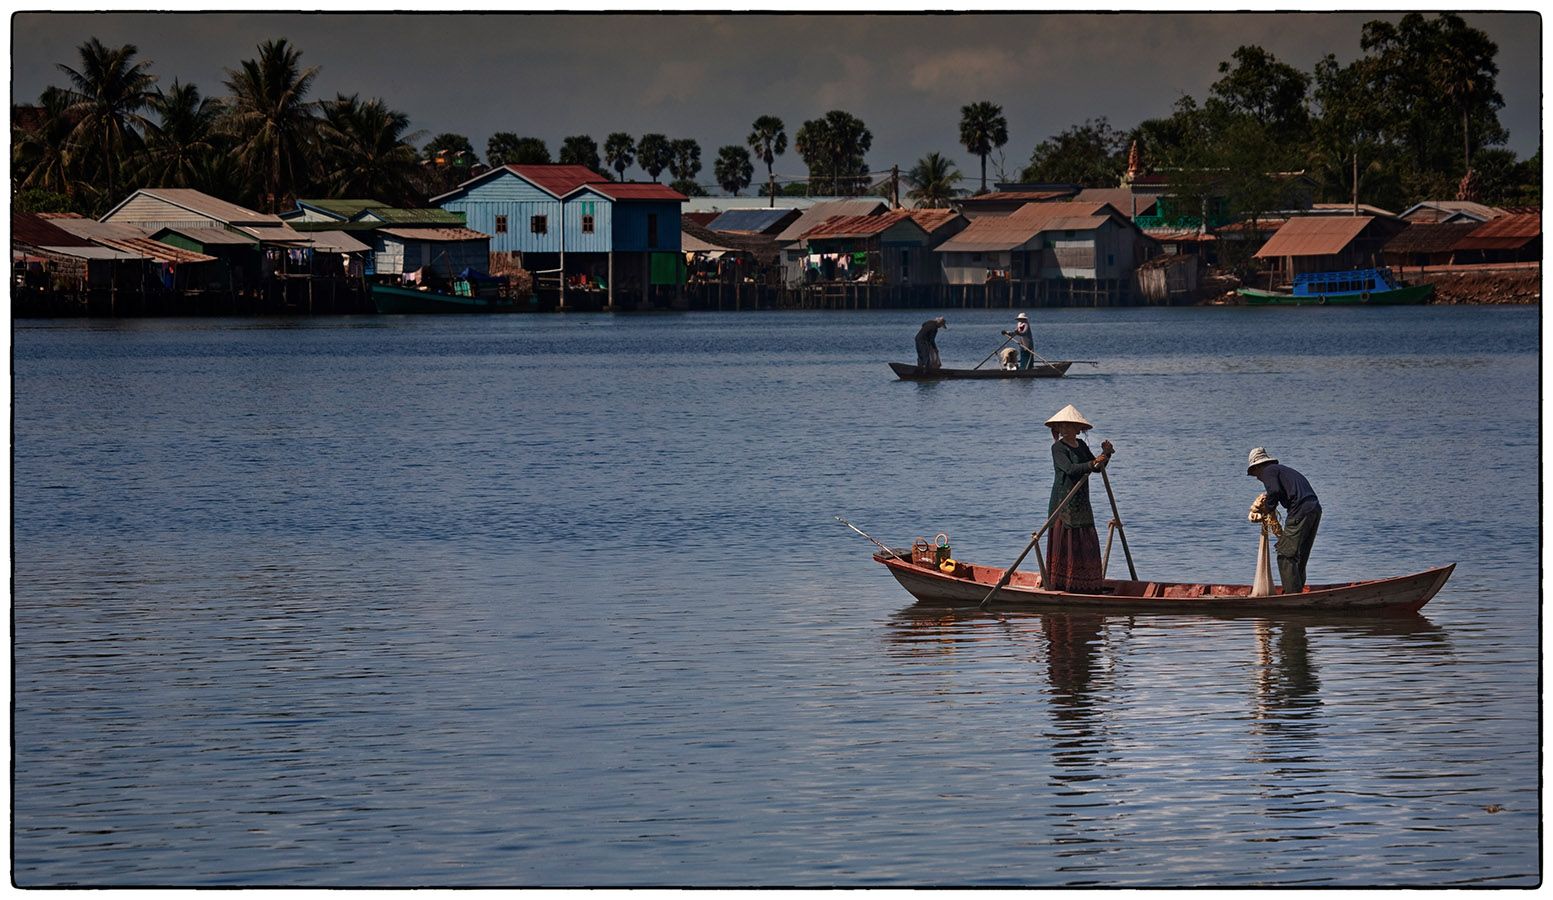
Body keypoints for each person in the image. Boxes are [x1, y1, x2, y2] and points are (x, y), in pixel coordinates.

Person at [1044, 404, 1114, 593]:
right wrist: (1093, 462)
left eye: (1070, 426)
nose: (1065, 429)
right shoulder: (1058, 448)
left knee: (1085, 539)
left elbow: (1098, 468)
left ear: (1078, 429)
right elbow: (1070, 469)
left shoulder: (1081, 446)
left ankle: (1088, 584)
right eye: (1062, 426)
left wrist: (1106, 455)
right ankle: (1064, 585)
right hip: (1063, 501)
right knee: (1066, 540)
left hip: (1081, 500)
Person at [1246, 447, 1322, 593]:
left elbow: (1274, 491)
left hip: (1300, 510)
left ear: (1258, 466)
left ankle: (1292, 595)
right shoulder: (1281, 471)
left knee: (1285, 555)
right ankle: (1297, 592)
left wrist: (1267, 508)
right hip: (1314, 509)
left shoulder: (1268, 471)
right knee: (1298, 554)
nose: (1257, 477)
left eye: (1255, 473)